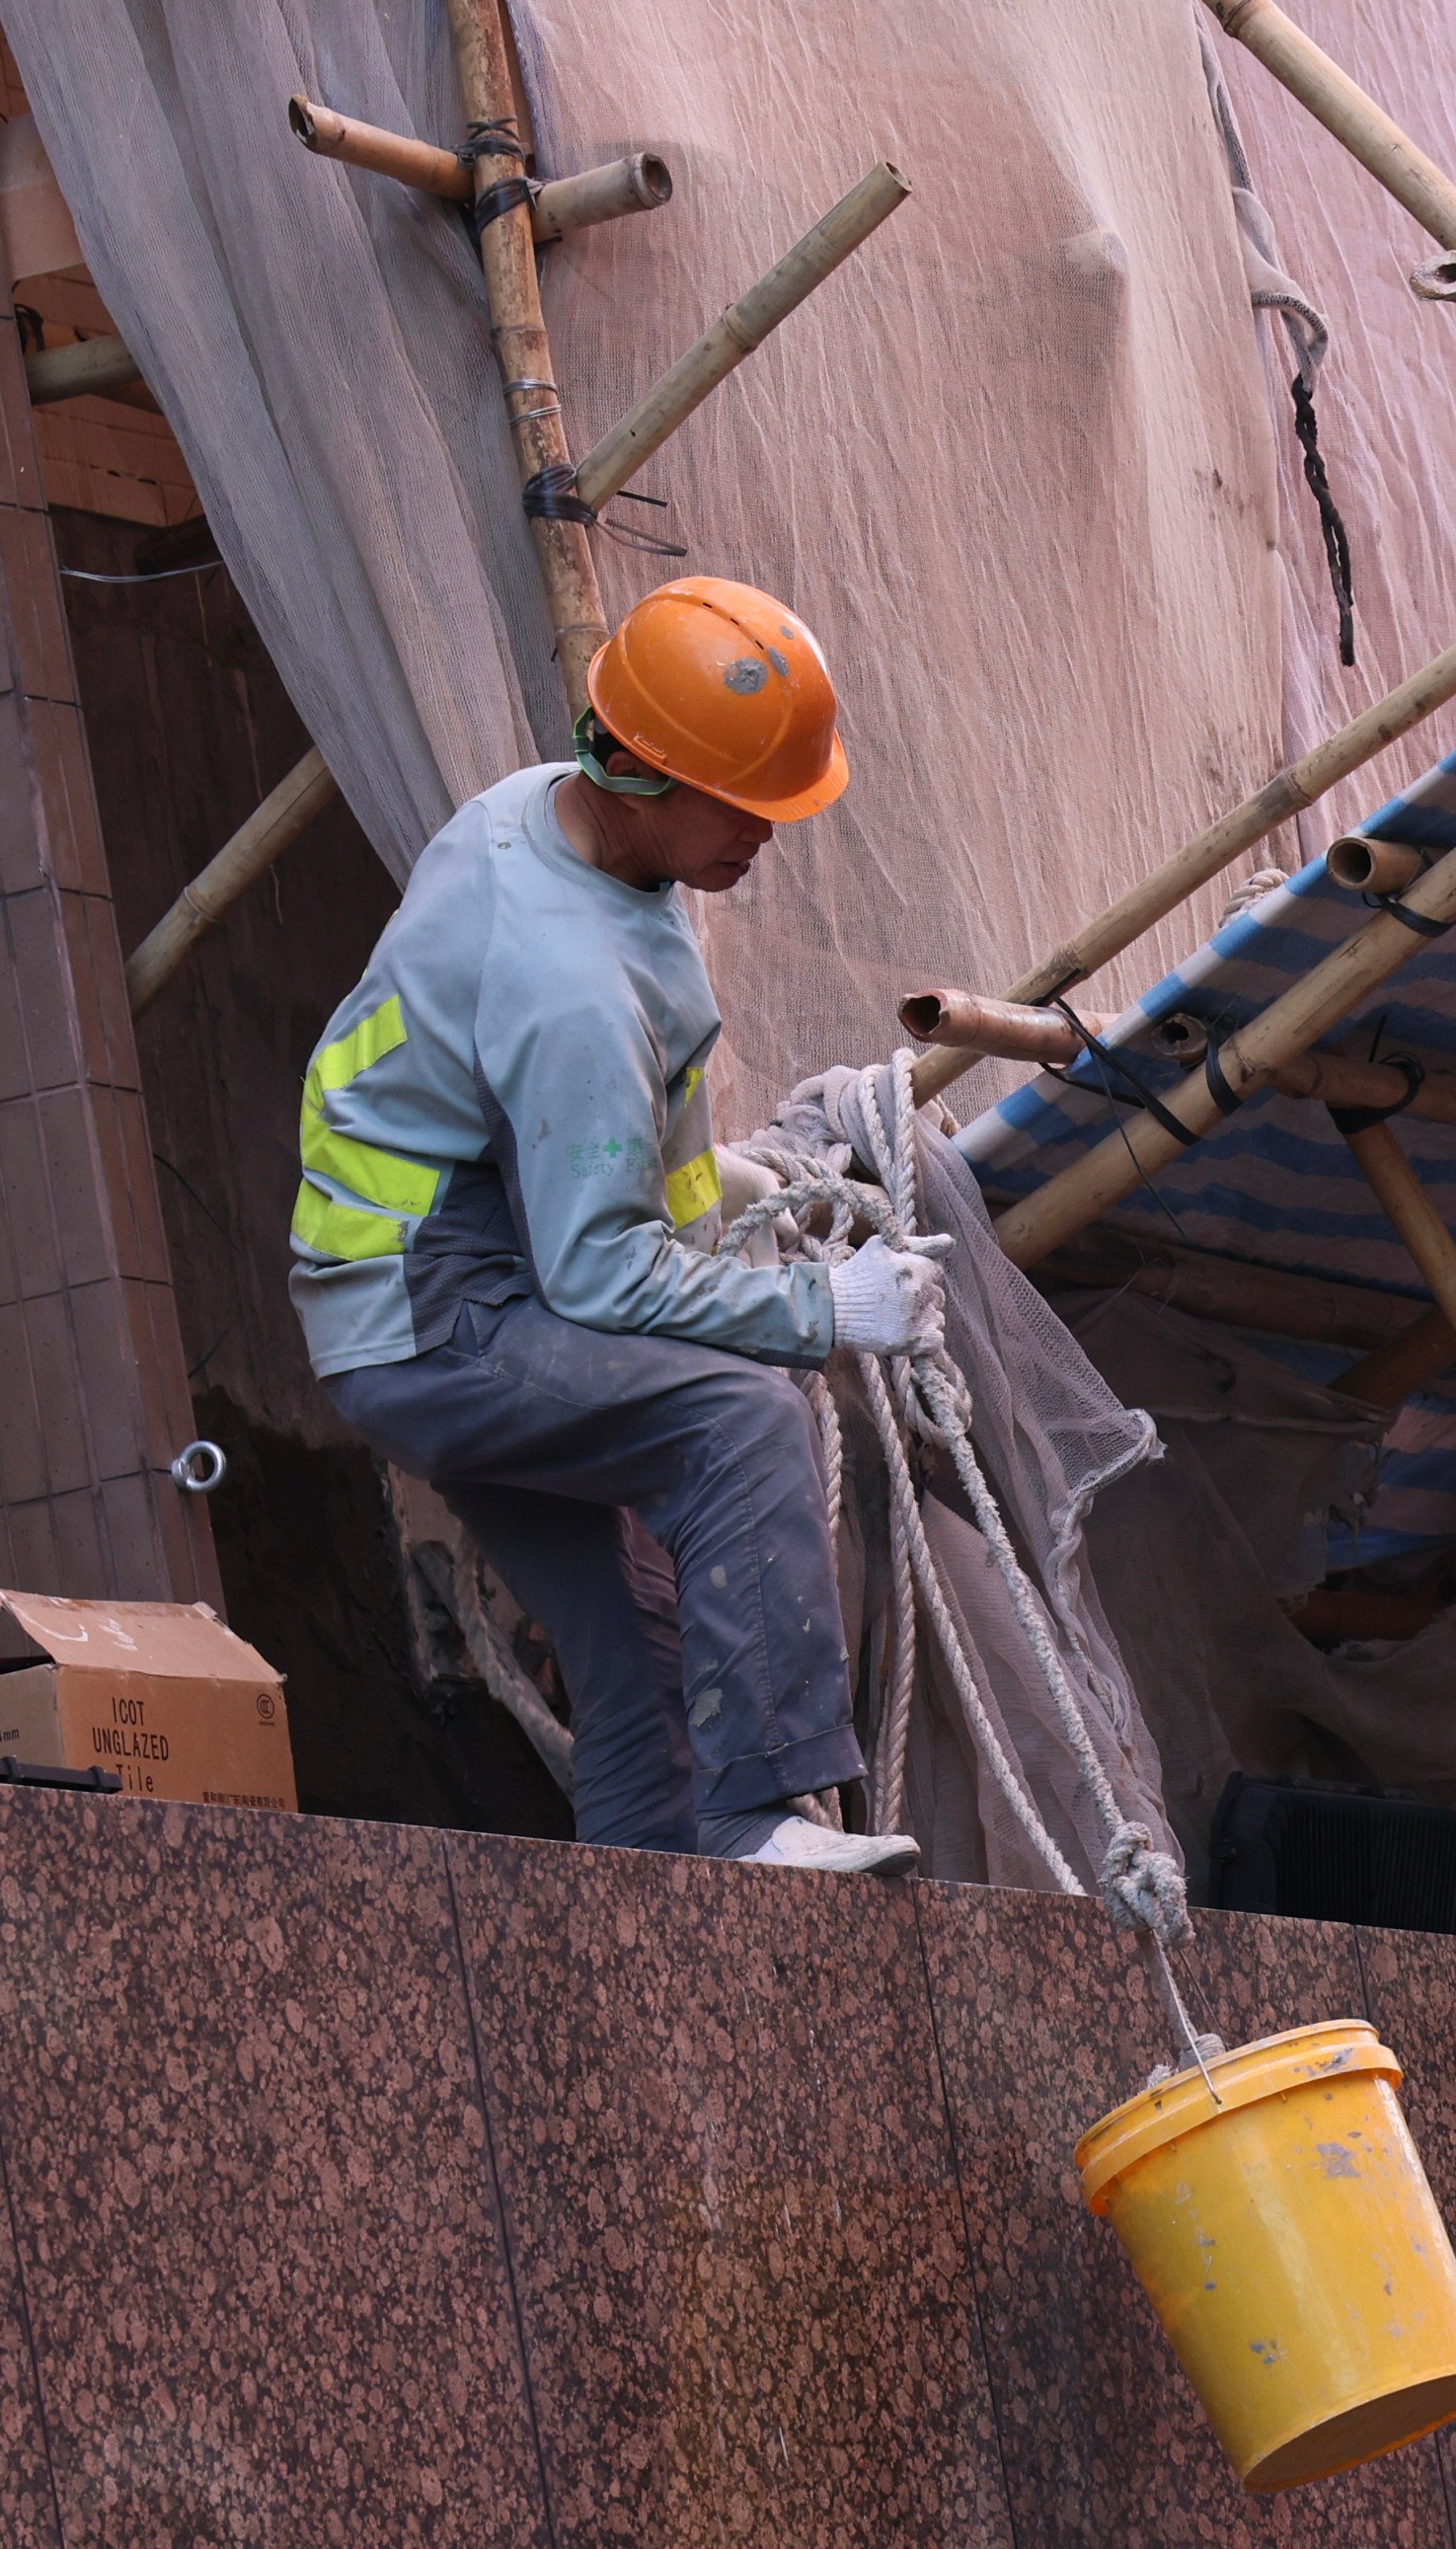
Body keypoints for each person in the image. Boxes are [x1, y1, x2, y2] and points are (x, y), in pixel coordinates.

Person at [288, 578, 929, 1873]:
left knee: (635, 1625)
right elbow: (595, 1267)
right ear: (643, 773)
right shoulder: (565, 976)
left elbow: (609, 1149)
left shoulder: (535, 812)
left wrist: (741, 1198)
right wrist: (820, 1311)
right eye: (743, 801)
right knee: (736, 1419)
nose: (766, 832)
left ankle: (647, 1900)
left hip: (419, 1278)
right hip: (440, 1311)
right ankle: (756, 1817)